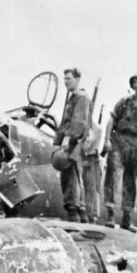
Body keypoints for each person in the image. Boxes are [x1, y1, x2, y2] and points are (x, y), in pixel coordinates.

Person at [102, 73, 137, 232]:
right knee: (112, 177)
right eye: (135, 82)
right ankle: (110, 215)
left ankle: (126, 218)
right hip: (118, 141)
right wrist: (106, 140)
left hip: (134, 145)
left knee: (130, 182)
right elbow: (111, 120)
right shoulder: (123, 102)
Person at [53, 68, 92, 222]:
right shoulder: (74, 97)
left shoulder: (81, 97)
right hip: (72, 141)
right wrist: (56, 142)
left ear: (77, 79)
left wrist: (66, 142)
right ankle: (81, 213)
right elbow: (64, 123)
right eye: (64, 79)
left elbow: (78, 122)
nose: (65, 82)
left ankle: (73, 213)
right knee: (73, 174)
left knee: (69, 176)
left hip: (74, 142)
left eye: (68, 78)